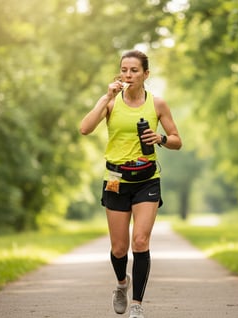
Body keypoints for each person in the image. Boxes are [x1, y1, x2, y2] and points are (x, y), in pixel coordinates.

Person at [80, 50, 182, 318]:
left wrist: (159, 139)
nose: (128, 75)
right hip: (115, 179)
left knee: (140, 241)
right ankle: (121, 284)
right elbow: (84, 128)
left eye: (134, 70)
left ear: (146, 74)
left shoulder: (157, 104)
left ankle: (137, 305)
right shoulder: (111, 103)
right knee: (119, 248)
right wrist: (106, 97)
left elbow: (176, 140)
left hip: (147, 178)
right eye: (124, 70)